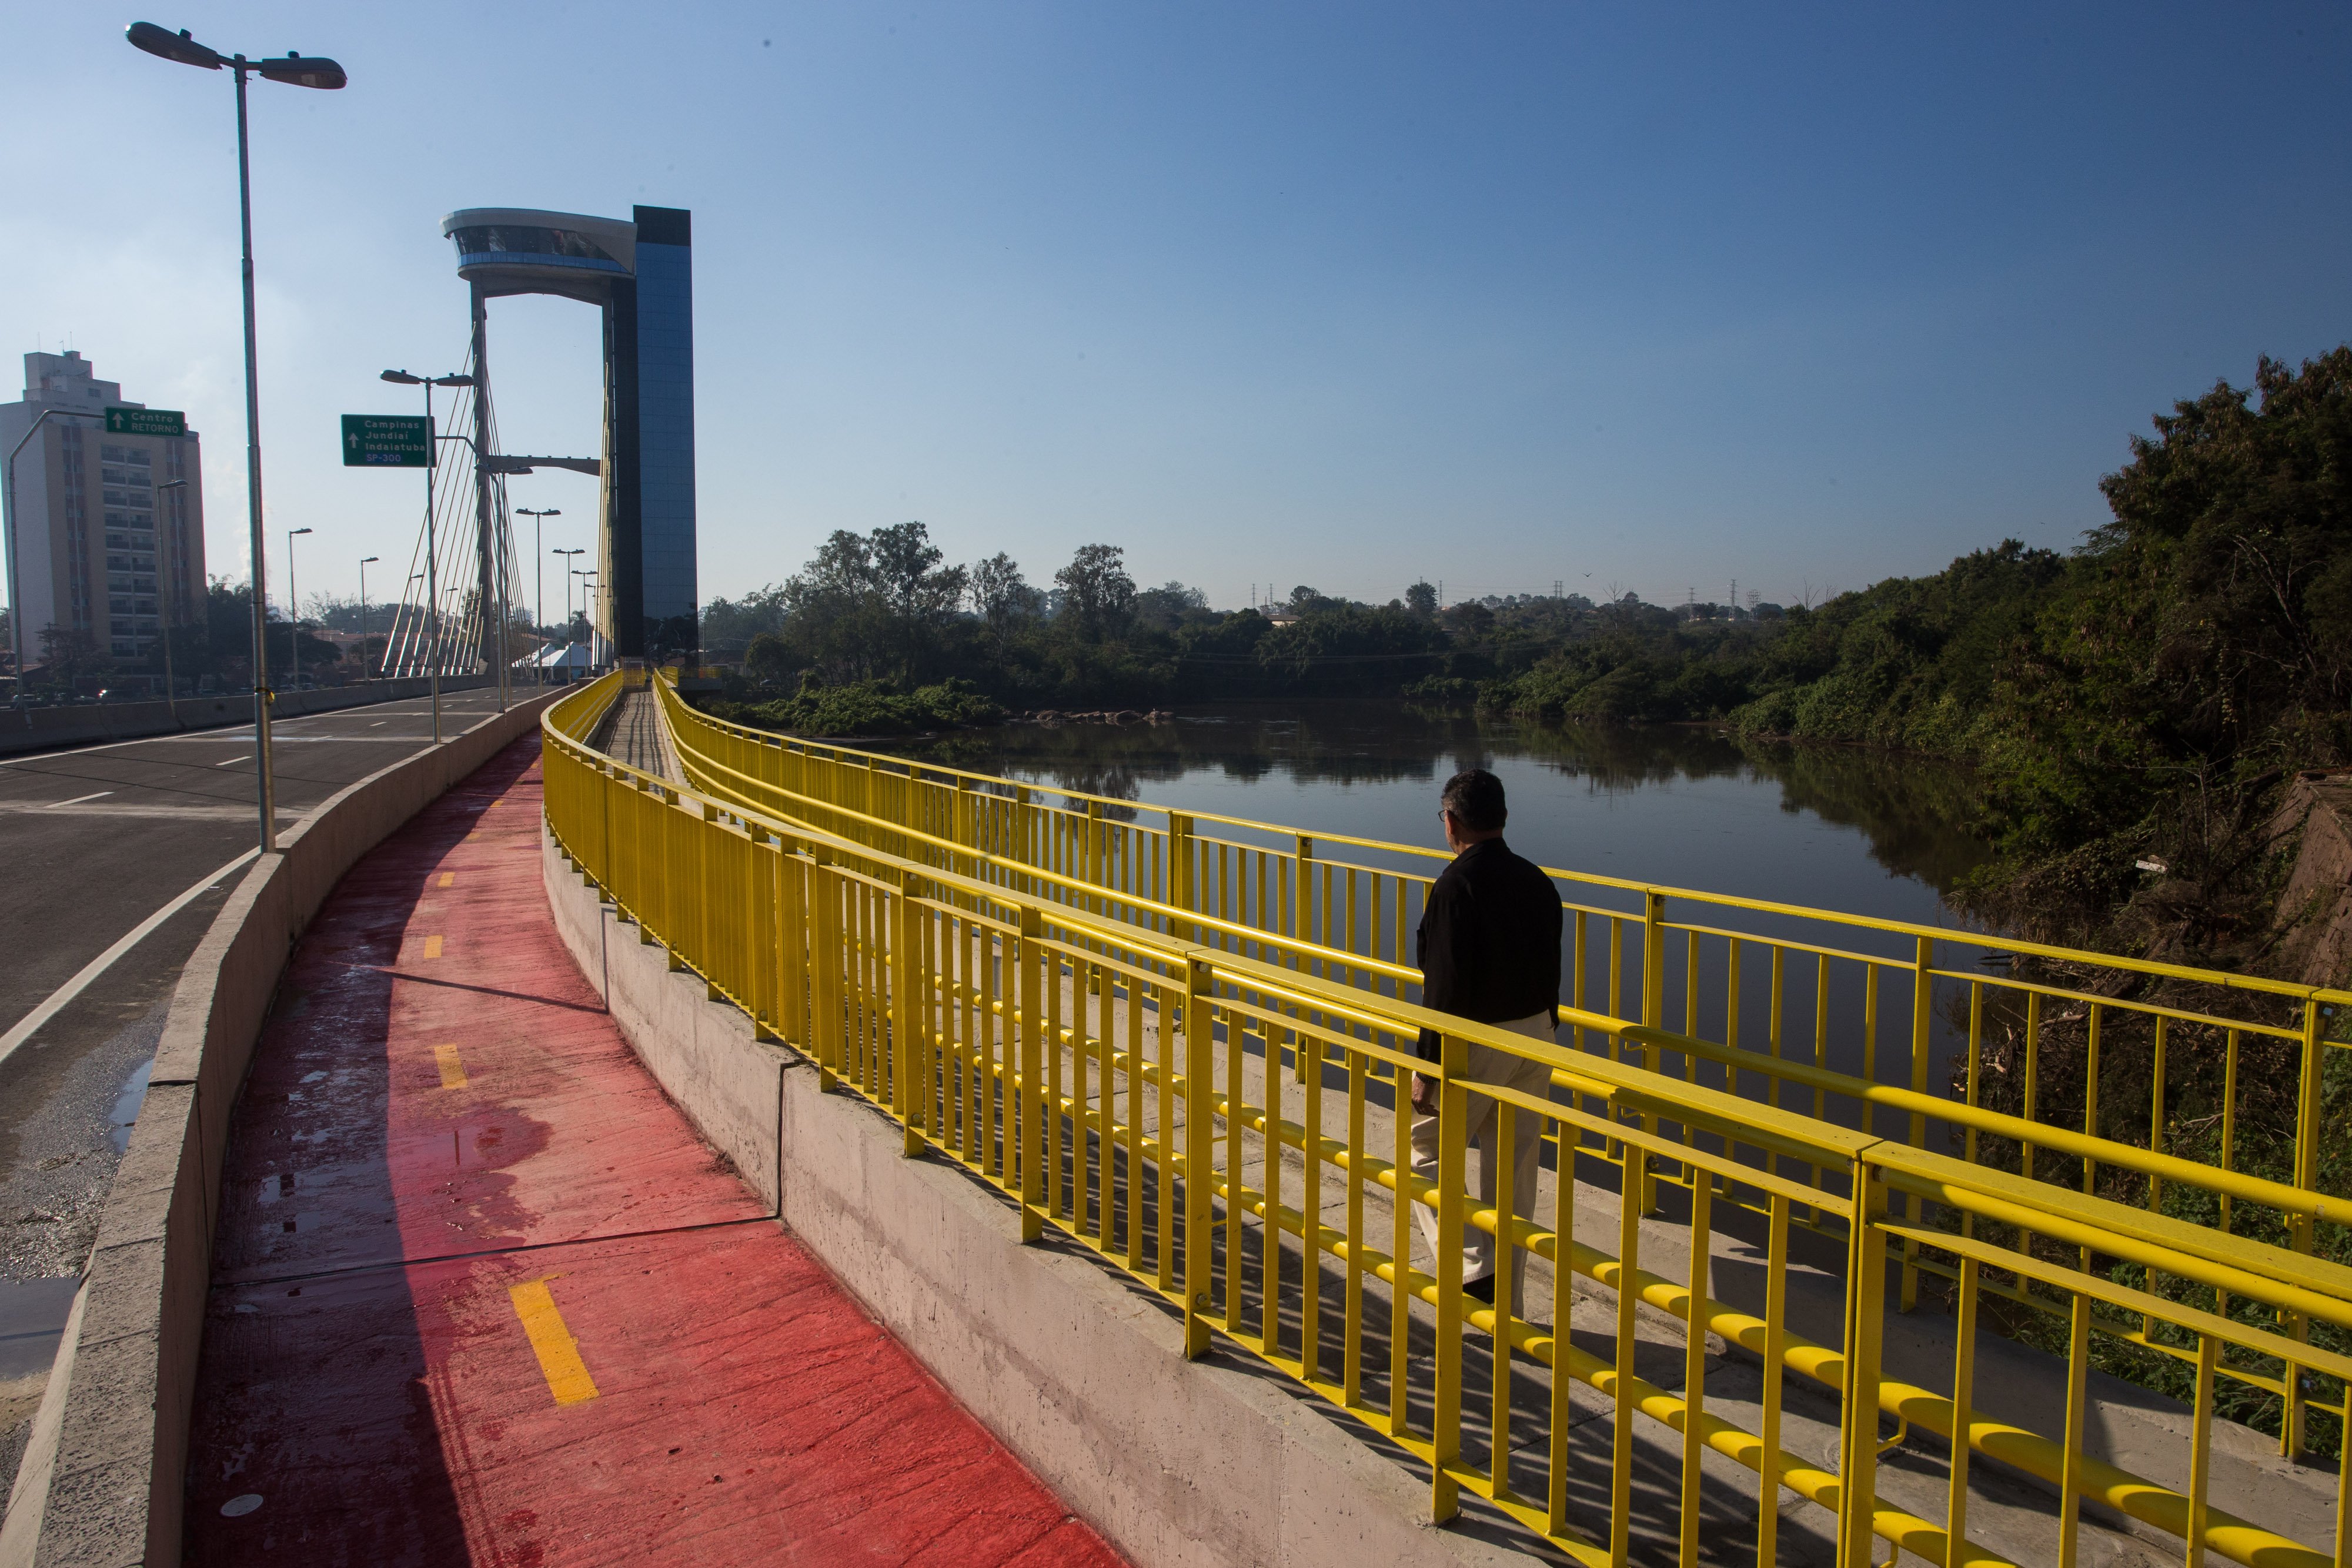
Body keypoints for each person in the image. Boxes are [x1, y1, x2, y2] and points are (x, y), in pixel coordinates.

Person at [1408, 768, 1563, 1319]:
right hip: (1537, 1035)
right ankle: (1511, 1307)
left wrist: (1427, 1065)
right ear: (1502, 817)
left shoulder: (1456, 884)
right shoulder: (1538, 880)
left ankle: (1474, 1268)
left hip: (1477, 1039)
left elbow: (1444, 987)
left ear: (1451, 821)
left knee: (1426, 1153)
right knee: (1515, 1172)